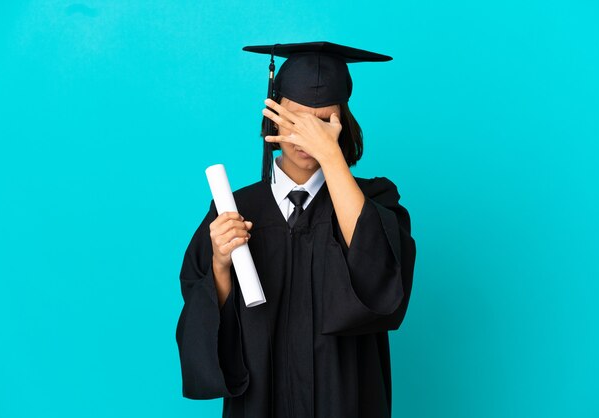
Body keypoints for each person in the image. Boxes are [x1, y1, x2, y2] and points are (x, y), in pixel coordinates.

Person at [175, 41, 417, 418]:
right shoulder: (235, 209)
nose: (307, 135)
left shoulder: (375, 201)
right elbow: (204, 325)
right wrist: (221, 265)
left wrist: (331, 156)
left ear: (343, 122)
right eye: (295, 119)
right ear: (273, 116)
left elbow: (382, 285)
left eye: (323, 122)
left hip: (346, 403)